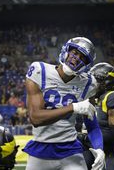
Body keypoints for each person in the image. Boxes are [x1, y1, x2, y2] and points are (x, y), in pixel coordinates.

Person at [23, 37, 105, 170]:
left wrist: (99, 148)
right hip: (41, 149)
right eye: (75, 52)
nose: (76, 58)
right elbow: (36, 118)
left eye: (82, 57)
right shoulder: (40, 71)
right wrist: (73, 107)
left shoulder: (88, 84)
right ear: (66, 50)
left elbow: (92, 124)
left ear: (87, 64)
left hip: (70, 150)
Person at [81, 62, 114, 170]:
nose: (92, 83)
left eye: (96, 80)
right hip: (98, 150)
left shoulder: (113, 96)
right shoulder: (95, 100)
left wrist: (85, 138)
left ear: (106, 82)